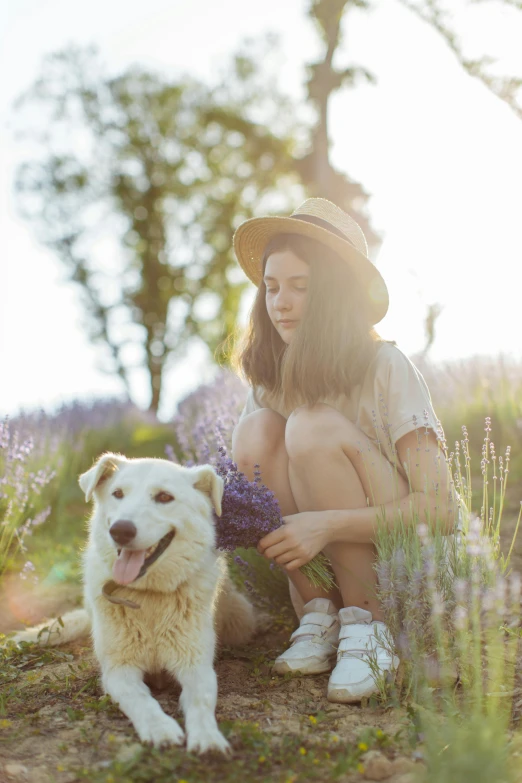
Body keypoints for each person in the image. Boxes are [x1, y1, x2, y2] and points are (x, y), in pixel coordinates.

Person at [231, 197, 456, 703]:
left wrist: (327, 523)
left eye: (300, 287)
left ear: (331, 293)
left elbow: (441, 510)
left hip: (401, 572)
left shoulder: (386, 366)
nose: (279, 303)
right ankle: (321, 618)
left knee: (311, 427)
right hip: (321, 578)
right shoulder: (269, 382)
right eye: (271, 287)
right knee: (254, 434)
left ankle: (371, 626)